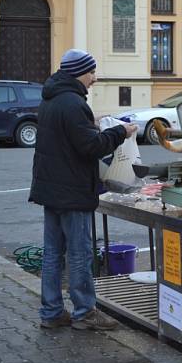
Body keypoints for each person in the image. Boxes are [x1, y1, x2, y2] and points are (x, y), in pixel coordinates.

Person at [29, 49, 138, 330]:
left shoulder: (51, 99)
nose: (94, 78)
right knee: (79, 253)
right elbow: (90, 147)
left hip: (50, 187)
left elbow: (70, 136)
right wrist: (118, 133)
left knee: (53, 253)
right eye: (91, 72)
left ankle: (51, 312)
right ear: (80, 72)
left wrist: (96, 125)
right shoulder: (74, 103)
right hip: (72, 190)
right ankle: (84, 312)